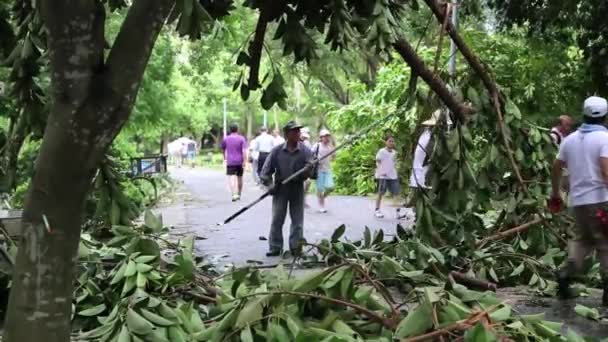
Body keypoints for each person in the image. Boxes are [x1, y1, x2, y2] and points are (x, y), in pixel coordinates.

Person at [551, 96, 608, 306]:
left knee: (583, 239)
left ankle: (566, 272)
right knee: (604, 243)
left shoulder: (570, 139)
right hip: (601, 200)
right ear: (605, 117)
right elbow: (605, 170)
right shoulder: (605, 139)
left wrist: (555, 193)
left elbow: (556, 166)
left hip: (579, 202)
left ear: (583, 115)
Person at [260, 121, 313, 257]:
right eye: (294, 131)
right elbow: (265, 172)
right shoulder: (277, 151)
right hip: (280, 188)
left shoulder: (305, 152)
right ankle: (275, 247)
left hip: (297, 188)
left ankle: (296, 248)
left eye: (298, 131)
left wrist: (310, 168)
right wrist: (270, 185)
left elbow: (313, 174)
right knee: (277, 218)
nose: (297, 134)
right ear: (287, 134)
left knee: (297, 221)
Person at [408, 110, 439, 212]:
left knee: (420, 201)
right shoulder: (431, 137)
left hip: (418, 171)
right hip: (422, 172)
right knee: (424, 202)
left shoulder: (425, 133)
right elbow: (432, 155)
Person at [374, 135, 404, 219]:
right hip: (383, 176)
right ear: (386, 142)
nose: (391, 143)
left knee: (396, 193)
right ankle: (377, 210)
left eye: (393, 141)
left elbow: (394, 163)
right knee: (380, 193)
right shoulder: (381, 151)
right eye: (390, 141)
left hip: (392, 176)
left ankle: (398, 213)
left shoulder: (394, 152)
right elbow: (378, 162)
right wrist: (382, 172)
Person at [221, 123, 247, 201]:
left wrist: (224, 157)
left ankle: (233, 194)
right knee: (240, 177)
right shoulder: (241, 138)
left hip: (230, 161)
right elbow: (244, 151)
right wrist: (244, 161)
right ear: (237, 129)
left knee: (232, 177)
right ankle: (239, 194)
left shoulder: (226, 139)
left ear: (230, 129)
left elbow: (223, 149)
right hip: (239, 161)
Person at [313, 129, 335, 213]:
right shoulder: (317, 146)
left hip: (327, 169)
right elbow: (310, 155)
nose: (326, 138)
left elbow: (333, 158)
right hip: (318, 170)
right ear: (321, 137)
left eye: (327, 136)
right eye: (325, 136)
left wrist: (332, 147)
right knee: (320, 189)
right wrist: (315, 160)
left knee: (331, 187)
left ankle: (322, 197)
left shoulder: (329, 147)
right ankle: (321, 205)